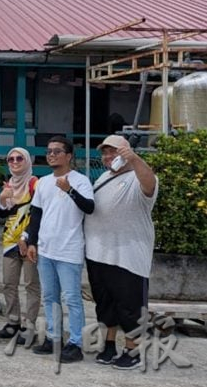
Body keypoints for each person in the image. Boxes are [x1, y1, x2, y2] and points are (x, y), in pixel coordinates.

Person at [84, 135, 157, 370]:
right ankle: (108, 345)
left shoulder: (138, 177)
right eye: (105, 153)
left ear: (126, 152)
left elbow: (149, 184)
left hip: (128, 255)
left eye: (113, 152)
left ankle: (133, 350)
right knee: (105, 304)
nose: (108, 157)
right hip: (98, 253)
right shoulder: (103, 178)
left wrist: (135, 160)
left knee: (130, 306)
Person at [26, 136, 94, 363]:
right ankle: (53, 337)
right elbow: (35, 214)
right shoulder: (43, 182)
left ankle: (75, 343)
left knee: (72, 298)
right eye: (49, 151)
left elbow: (90, 207)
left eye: (57, 151)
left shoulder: (80, 180)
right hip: (46, 249)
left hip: (69, 250)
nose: (51, 155)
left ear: (69, 155)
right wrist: (31, 241)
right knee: (50, 296)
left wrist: (70, 190)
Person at [0, 147, 40, 343]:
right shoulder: (9, 183)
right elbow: (1, 214)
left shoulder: (35, 183)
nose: (14, 162)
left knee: (31, 284)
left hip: (29, 242)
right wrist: (3, 199)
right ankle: (13, 322)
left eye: (19, 158)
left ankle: (30, 326)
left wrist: (29, 238)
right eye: (10, 159)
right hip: (10, 240)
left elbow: (39, 213)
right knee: (9, 283)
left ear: (27, 161)